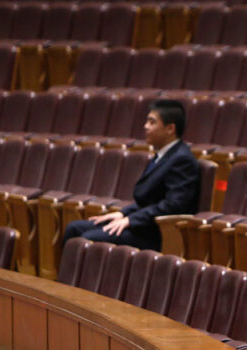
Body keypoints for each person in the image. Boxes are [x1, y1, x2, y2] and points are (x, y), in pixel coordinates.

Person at [62, 99, 201, 251]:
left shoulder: (182, 159)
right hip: (142, 225)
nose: (145, 126)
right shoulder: (164, 155)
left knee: (89, 238)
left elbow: (173, 206)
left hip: (156, 233)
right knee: (74, 229)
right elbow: (148, 201)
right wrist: (122, 213)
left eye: (152, 122)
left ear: (170, 128)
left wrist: (131, 220)